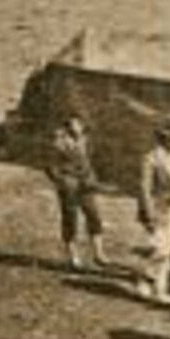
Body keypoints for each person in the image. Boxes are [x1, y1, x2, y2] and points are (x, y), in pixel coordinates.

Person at [45, 114, 107, 270]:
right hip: (69, 184)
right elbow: (50, 166)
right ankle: (73, 256)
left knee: (94, 215)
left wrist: (93, 177)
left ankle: (99, 254)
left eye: (79, 124)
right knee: (70, 218)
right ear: (67, 127)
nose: (76, 128)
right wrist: (61, 180)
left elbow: (92, 161)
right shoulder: (59, 142)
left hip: (86, 183)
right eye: (72, 125)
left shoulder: (87, 140)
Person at [138, 126, 170, 302]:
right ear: (168, 141)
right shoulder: (151, 159)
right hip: (156, 208)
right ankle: (145, 279)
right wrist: (148, 213)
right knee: (160, 249)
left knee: (169, 249)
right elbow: (144, 188)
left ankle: (160, 290)